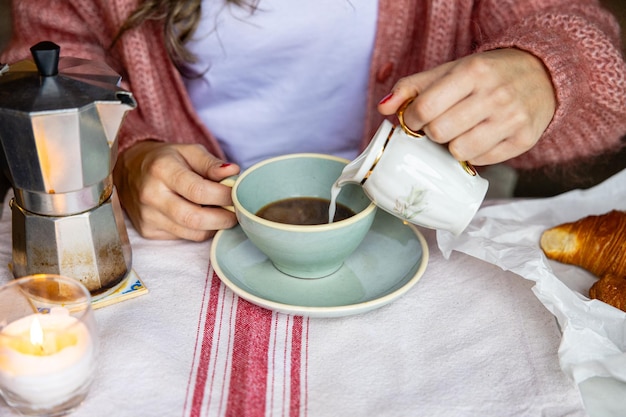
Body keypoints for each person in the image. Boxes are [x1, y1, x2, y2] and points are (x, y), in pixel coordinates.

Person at [2, 0, 625, 241]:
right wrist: (126, 155)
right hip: (176, 243)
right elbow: (48, 60)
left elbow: (602, 92)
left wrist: (549, 73)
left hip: (412, 238)